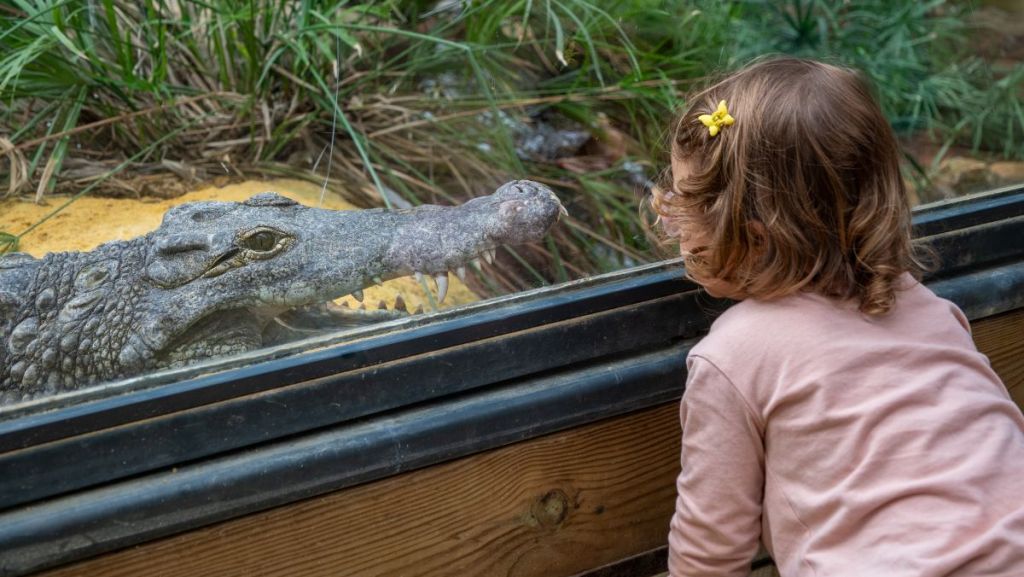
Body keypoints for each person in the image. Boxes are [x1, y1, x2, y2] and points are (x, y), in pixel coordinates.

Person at [651, 56, 1024, 577]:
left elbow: (709, 555)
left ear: (753, 239)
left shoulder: (733, 354)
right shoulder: (928, 308)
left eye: (683, 209)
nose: (675, 228)